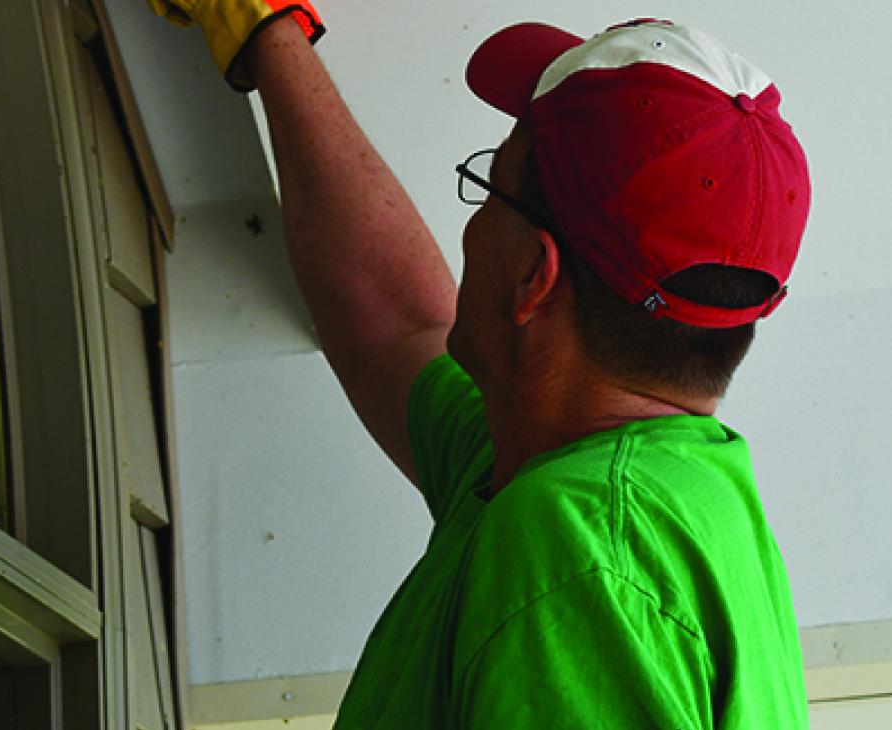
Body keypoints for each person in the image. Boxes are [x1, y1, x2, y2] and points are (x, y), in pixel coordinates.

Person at [150, 2, 810, 727]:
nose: (471, 224)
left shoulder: (580, 553)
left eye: (489, 186)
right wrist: (263, 26)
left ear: (534, 274)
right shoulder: (641, 479)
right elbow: (395, 327)